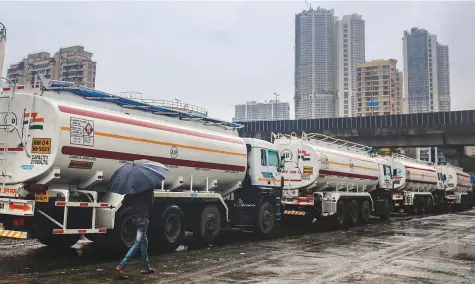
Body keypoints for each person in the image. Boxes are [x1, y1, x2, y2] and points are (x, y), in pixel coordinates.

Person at [115, 188, 156, 279]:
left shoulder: (132, 189)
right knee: (138, 243)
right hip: (143, 218)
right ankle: (121, 265)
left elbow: (125, 203)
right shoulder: (148, 189)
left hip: (134, 218)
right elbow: (150, 204)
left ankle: (146, 267)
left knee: (144, 242)